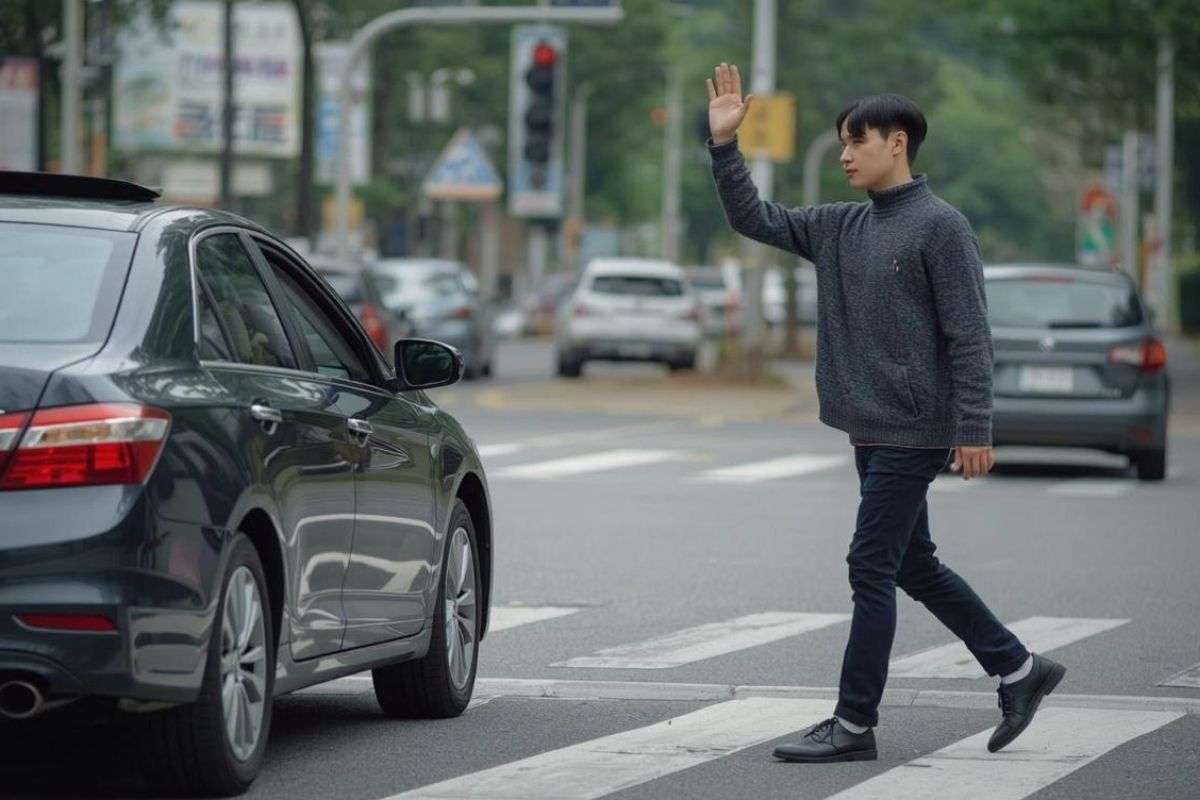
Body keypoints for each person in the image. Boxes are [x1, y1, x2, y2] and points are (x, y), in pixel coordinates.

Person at [704, 63, 1067, 763]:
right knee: (913, 565)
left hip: (915, 428)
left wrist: (973, 427)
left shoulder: (941, 228)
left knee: (869, 566)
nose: (844, 153)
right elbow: (756, 218)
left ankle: (854, 724)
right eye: (841, 141)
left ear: (895, 143)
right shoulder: (840, 226)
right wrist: (724, 146)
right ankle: (1020, 670)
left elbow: (970, 334)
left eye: (856, 141)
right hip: (869, 424)